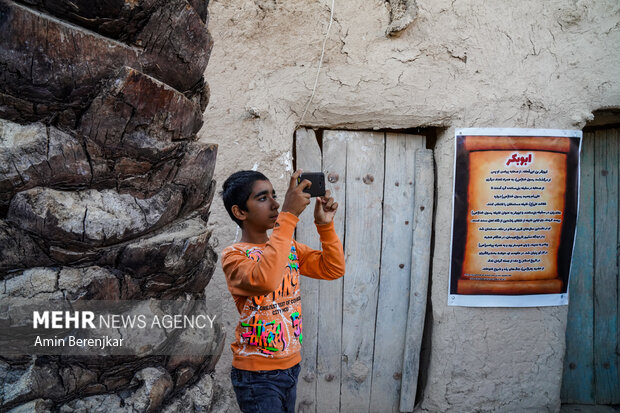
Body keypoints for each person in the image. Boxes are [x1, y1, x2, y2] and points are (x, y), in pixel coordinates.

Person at [220, 169, 345, 413]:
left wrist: (325, 226)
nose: (276, 203)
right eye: (263, 198)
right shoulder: (233, 256)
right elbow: (264, 280)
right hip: (256, 376)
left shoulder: (287, 246)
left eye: (275, 196)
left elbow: (333, 269)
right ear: (239, 212)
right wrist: (288, 216)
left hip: (291, 366)